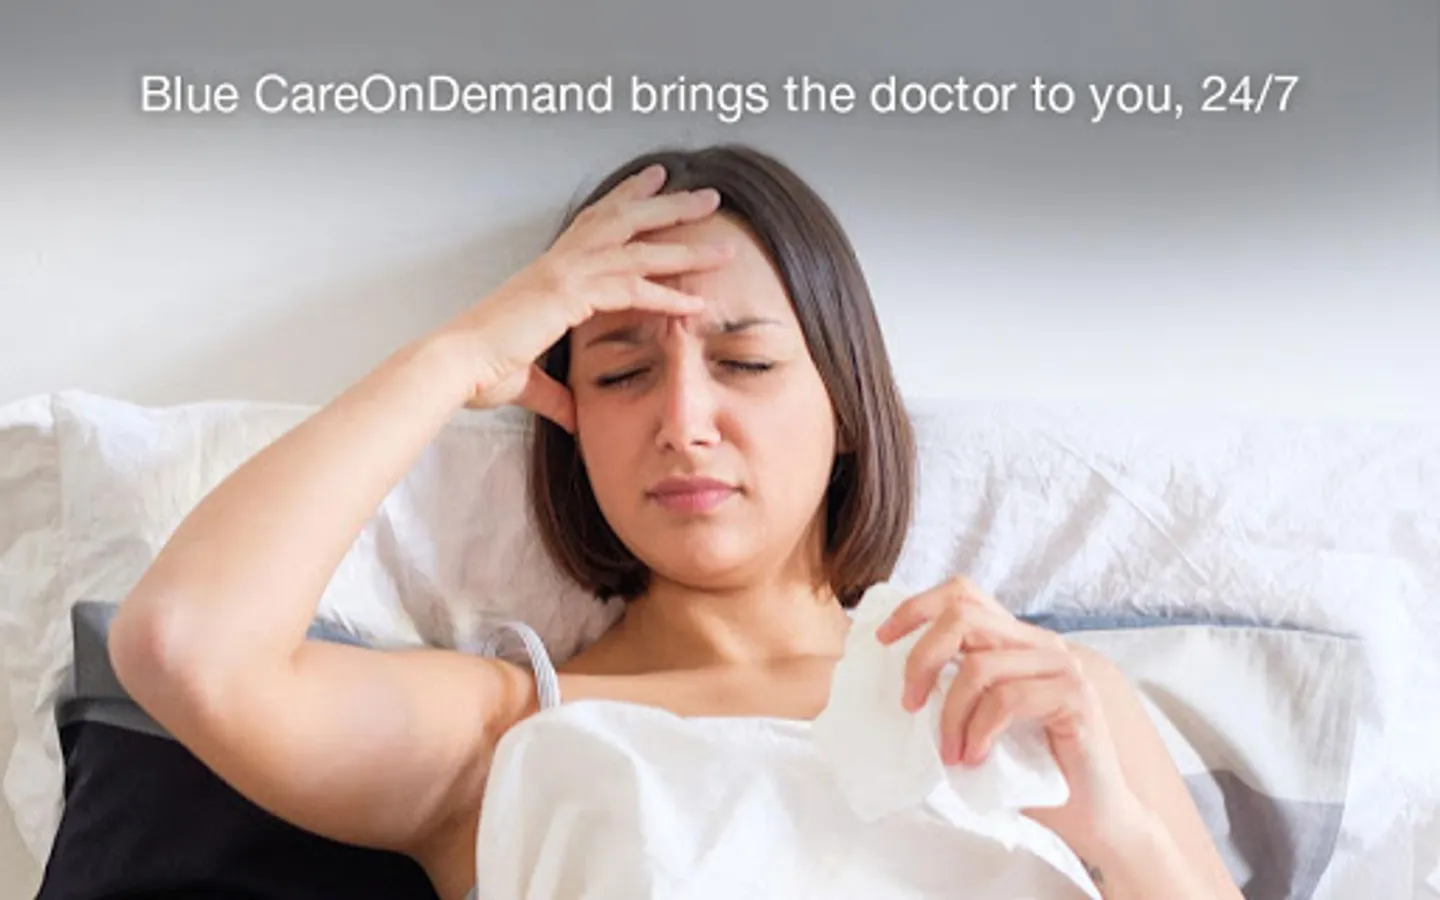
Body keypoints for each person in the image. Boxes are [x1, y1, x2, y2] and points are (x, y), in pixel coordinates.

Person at [109, 144, 1242, 899]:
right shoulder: (503, 733)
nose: (685, 422)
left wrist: (1121, 838)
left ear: (848, 408)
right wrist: (457, 356)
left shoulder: (1046, 697)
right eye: (620, 373)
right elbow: (184, 646)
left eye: (743, 362)